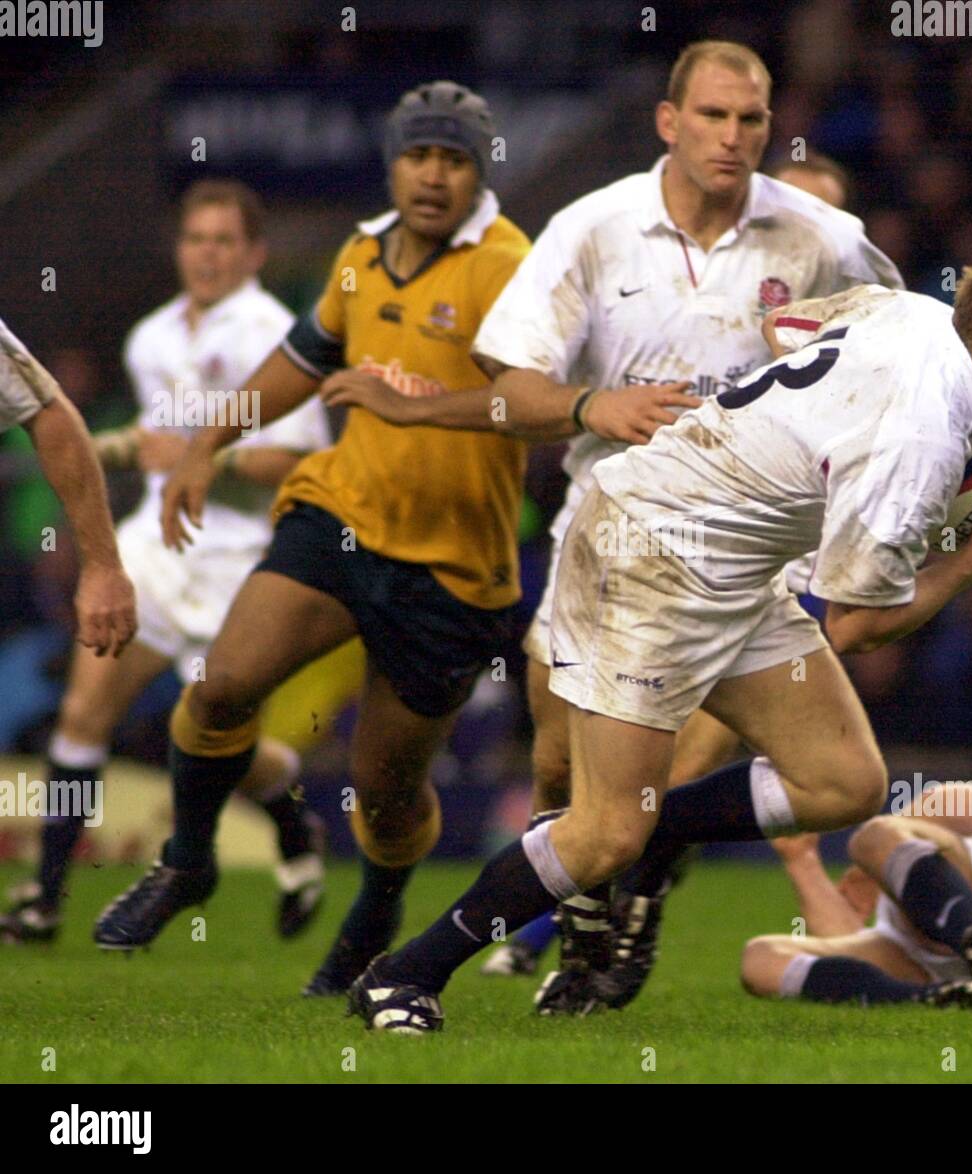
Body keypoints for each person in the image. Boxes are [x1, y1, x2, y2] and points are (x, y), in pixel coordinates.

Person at [345, 253, 972, 1034]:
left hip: (732, 570)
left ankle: (657, 829)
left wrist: (807, 436)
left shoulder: (914, 313)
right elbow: (857, 628)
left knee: (843, 783)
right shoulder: (923, 436)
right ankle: (403, 974)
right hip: (649, 554)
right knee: (604, 835)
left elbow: (784, 326)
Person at [92, 82, 677, 997]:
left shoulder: (509, 266)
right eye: (419, 155)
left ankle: (376, 913)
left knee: (389, 793)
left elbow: (531, 411)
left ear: (476, 170)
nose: (433, 175)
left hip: (450, 567)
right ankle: (187, 862)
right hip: (338, 517)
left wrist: (408, 404)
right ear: (394, 162)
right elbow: (301, 360)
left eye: (452, 159)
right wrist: (210, 441)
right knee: (221, 689)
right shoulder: (362, 252)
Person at [465, 40, 901, 1003]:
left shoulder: (820, 236)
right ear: (669, 121)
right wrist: (591, 407)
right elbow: (508, 384)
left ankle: (634, 903)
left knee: (679, 758)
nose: (733, 138)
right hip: (610, 535)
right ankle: (588, 929)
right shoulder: (593, 228)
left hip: (751, 547)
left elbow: (904, 343)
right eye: (712, 116)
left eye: (751, 120)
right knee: (557, 769)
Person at [1, 181, 333, 946]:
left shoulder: (272, 334)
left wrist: (202, 458)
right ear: (178, 247)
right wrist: (109, 449)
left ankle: (293, 826)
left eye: (224, 241)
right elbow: (144, 444)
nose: (208, 254)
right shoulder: (150, 338)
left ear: (253, 253)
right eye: (195, 239)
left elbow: (301, 461)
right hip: (154, 550)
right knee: (84, 715)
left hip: (236, 564)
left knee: (222, 746)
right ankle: (45, 899)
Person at [742, 784, 972, 1009]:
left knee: (874, 836)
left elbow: (940, 803)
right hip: (949, 963)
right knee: (760, 959)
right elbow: (845, 943)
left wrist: (878, 860)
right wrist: (802, 860)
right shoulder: (925, 870)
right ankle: (934, 997)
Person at [0, 321, 136, 656]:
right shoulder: (16, 435)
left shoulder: (107, 417)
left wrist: (102, 566)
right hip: (23, 539)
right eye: (65, 369)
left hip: (48, 538)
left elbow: (48, 413)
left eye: (78, 370)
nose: (71, 377)